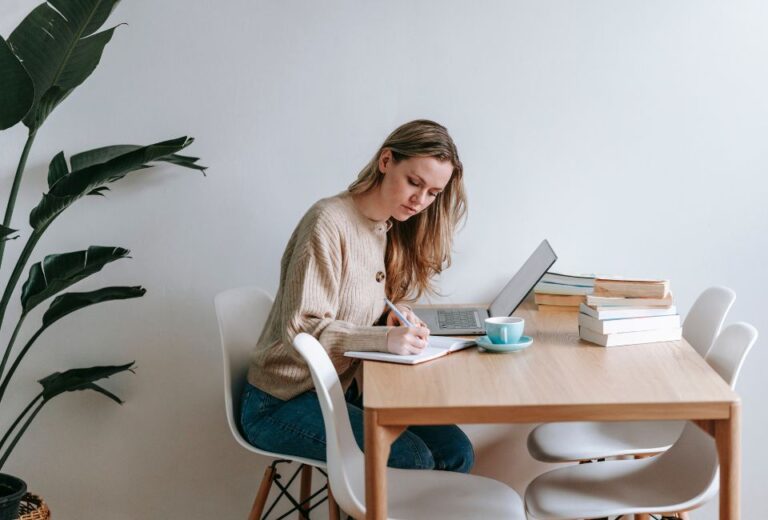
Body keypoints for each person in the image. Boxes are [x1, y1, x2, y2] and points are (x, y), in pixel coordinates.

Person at [240, 119, 473, 472]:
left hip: (339, 390)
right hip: (280, 401)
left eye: (433, 193)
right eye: (414, 182)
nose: (420, 201)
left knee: (456, 450)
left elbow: (355, 302)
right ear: (386, 161)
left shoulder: (384, 226)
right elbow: (301, 330)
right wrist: (383, 338)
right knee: (410, 457)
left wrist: (391, 316)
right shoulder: (328, 223)